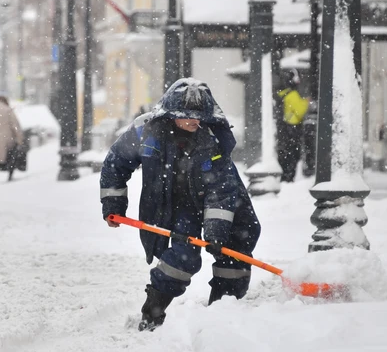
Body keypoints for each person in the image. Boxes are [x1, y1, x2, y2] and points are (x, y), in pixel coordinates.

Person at [100, 78, 261, 331]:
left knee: (236, 247)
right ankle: (152, 311)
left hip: (226, 204)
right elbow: (116, 163)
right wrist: (113, 203)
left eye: (198, 117)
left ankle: (223, 312)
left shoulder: (213, 138)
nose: (193, 121)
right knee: (182, 258)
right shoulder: (146, 131)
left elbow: (221, 190)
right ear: (170, 114)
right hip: (175, 204)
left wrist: (216, 230)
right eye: (186, 116)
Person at [276, 69, 310, 182]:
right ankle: (289, 177)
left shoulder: (282, 94)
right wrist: (306, 102)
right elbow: (300, 111)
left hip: (283, 128)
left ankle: (285, 175)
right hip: (293, 127)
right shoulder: (293, 95)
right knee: (293, 155)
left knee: (285, 154)